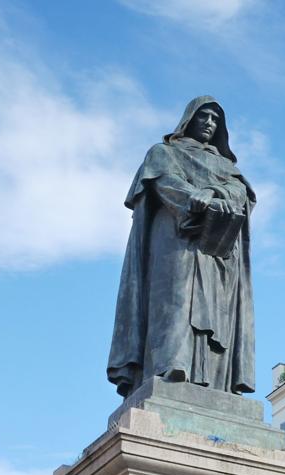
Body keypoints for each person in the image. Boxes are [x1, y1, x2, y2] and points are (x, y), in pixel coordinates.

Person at [108, 96, 257, 397]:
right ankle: (169, 366)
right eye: (204, 117)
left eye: (216, 119)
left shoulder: (225, 165)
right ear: (189, 119)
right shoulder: (164, 153)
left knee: (216, 312)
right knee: (175, 299)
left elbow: (241, 193)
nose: (210, 123)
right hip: (176, 236)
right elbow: (165, 183)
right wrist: (194, 198)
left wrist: (214, 191)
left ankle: (216, 381)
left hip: (216, 247)